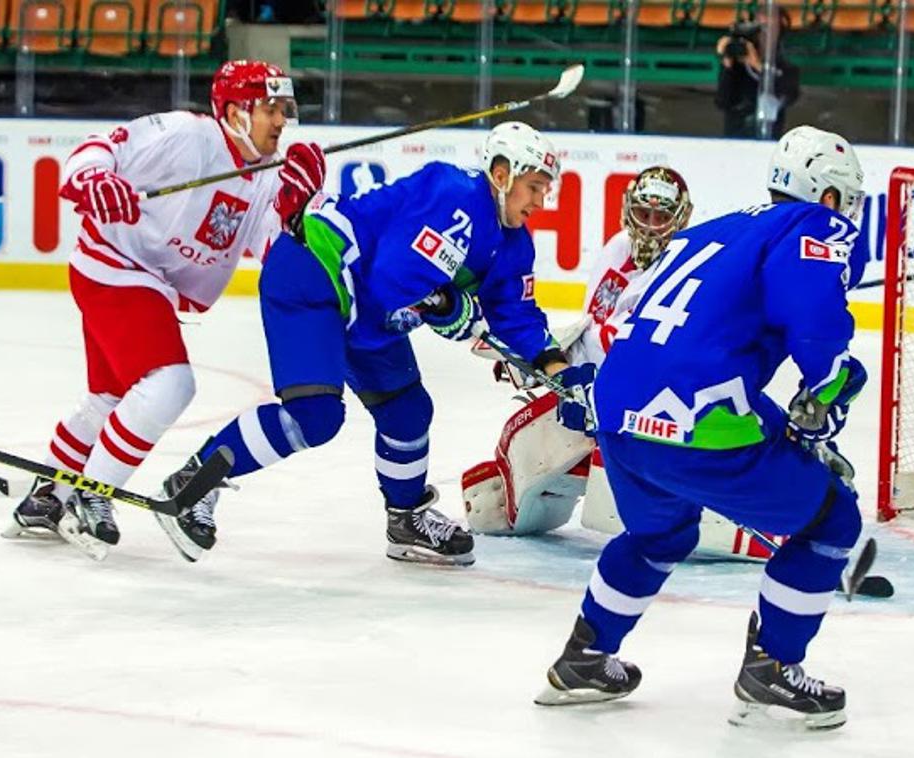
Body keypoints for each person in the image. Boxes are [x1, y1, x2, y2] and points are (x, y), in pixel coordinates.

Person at [534, 125, 866, 732]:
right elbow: (815, 323)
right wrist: (830, 387)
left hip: (617, 410)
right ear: (828, 197)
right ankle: (772, 666)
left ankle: (584, 657)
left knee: (661, 534)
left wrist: (796, 422)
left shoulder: (713, 230)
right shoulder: (813, 225)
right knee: (833, 519)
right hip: (693, 416)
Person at [159, 121, 592, 566]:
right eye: (535, 187)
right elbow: (394, 279)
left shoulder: (514, 245)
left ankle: (406, 520)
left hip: (367, 309)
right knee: (315, 415)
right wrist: (452, 310)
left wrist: (563, 372)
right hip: (317, 272)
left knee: (407, 411)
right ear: (502, 175)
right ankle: (192, 483)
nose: (541, 202)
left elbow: (516, 317)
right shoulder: (453, 193)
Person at [3, 60, 325, 559]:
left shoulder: (268, 176)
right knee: (171, 382)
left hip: (148, 284)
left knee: (110, 399)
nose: (281, 121)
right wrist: (95, 181)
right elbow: (99, 151)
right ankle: (94, 493)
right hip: (114, 266)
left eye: (286, 109)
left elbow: (277, 251)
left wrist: (299, 207)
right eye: (270, 108)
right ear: (236, 112)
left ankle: (47, 495)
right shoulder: (186, 135)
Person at [461, 166, 694, 537]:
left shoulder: (683, 268)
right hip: (596, 399)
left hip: (655, 411)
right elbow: (593, 326)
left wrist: (560, 364)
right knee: (488, 506)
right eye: (643, 213)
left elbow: (637, 351)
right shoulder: (617, 248)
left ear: (681, 218)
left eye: (661, 216)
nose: (650, 226)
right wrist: (542, 358)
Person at [714, 23, 799, 139]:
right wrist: (727, 65)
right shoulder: (736, 69)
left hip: (769, 133)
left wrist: (758, 66)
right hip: (735, 135)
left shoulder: (782, 65)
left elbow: (790, 93)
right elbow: (722, 101)